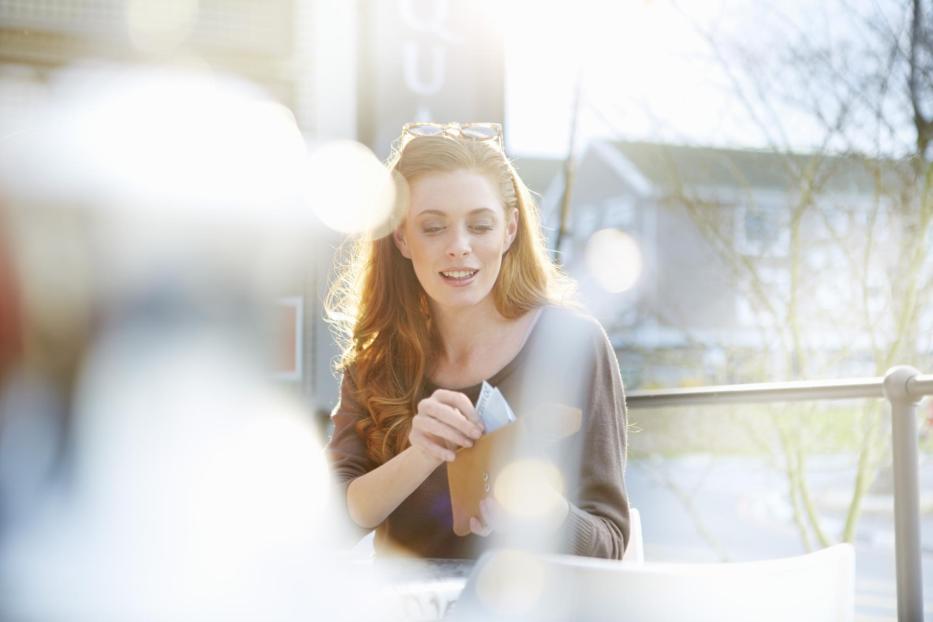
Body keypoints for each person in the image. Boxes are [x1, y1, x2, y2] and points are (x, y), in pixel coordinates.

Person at [325, 122, 629, 560]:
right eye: (433, 228)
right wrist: (422, 453)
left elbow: (609, 546)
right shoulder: (377, 359)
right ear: (401, 237)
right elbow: (332, 523)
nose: (459, 247)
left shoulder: (574, 345)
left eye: (480, 226)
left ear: (509, 231)